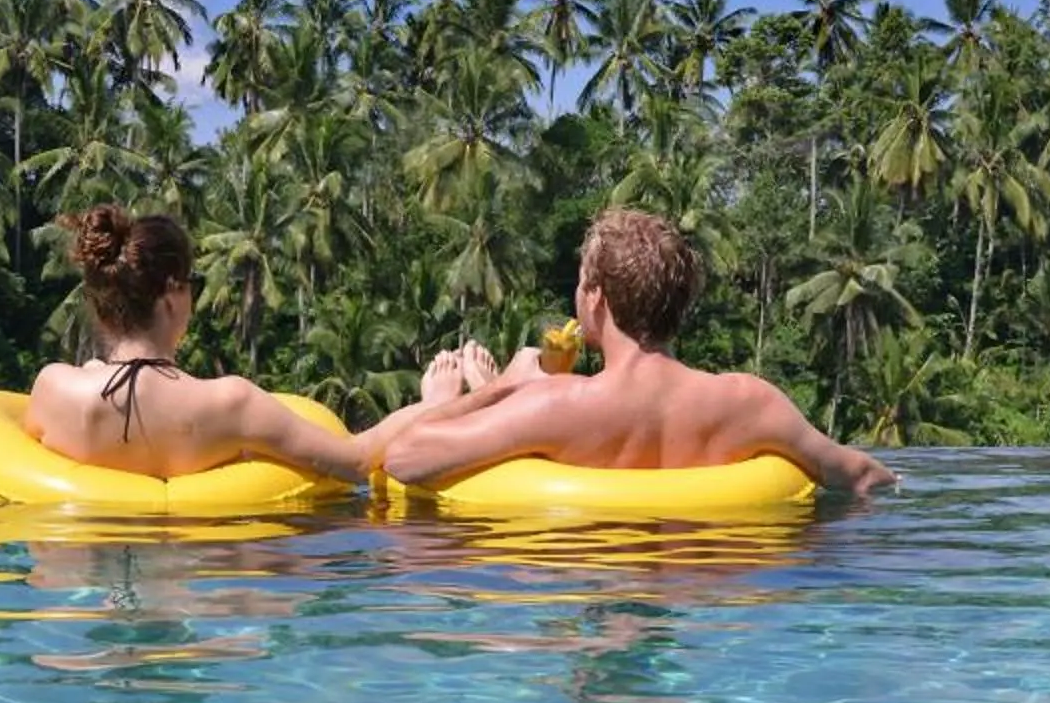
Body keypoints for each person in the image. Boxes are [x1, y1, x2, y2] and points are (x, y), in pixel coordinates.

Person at [374, 209, 900, 494]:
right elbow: (864, 476)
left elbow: (404, 459)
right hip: (704, 606)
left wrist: (507, 386)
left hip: (583, 583)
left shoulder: (558, 404)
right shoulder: (749, 402)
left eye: (582, 283)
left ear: (597, 299)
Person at [26, 204, 479, 482]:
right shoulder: (230, 403)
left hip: (78, 615)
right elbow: (357, 460)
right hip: (198, 605)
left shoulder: (52, 389)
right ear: (171, 295)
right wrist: (433, 402)